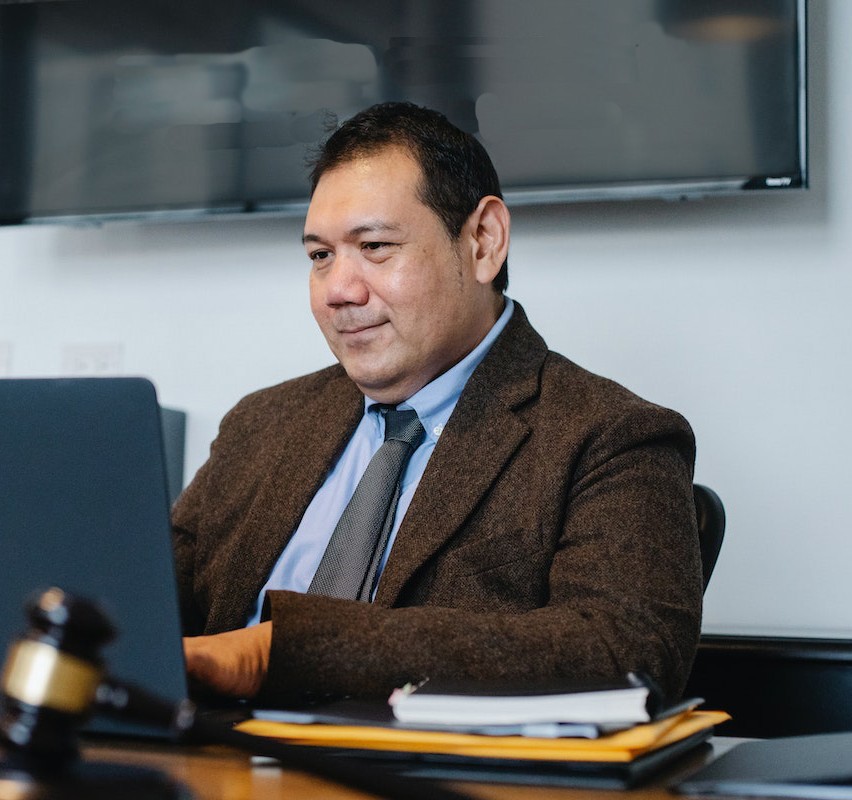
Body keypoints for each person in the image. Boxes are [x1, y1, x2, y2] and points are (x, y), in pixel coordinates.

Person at [174, 102, 702, 705]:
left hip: (426, 791)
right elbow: (140, 597)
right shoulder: (260, 423)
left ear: (483, 242)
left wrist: (278, 652)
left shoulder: (612, 436)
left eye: (374, 246)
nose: (338, 292)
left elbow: (627, 651)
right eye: (320, 256)